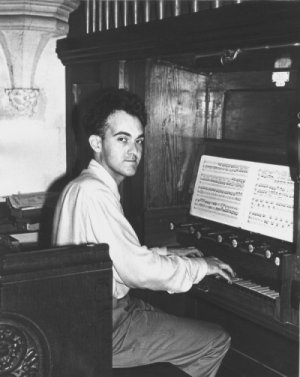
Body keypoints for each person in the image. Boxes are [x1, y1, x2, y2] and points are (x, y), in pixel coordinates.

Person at [52, 88, 234, 377]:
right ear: (96, 142)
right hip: (101, 328)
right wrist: (202, 266)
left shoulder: (83, 185)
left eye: (139, 141)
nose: (134, 151)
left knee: (177, 323)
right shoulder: (93, 193)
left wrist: (166, 253)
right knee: (215, 340)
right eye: (122, 139)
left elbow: (112, 255)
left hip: (94, 315)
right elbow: (137, 271)